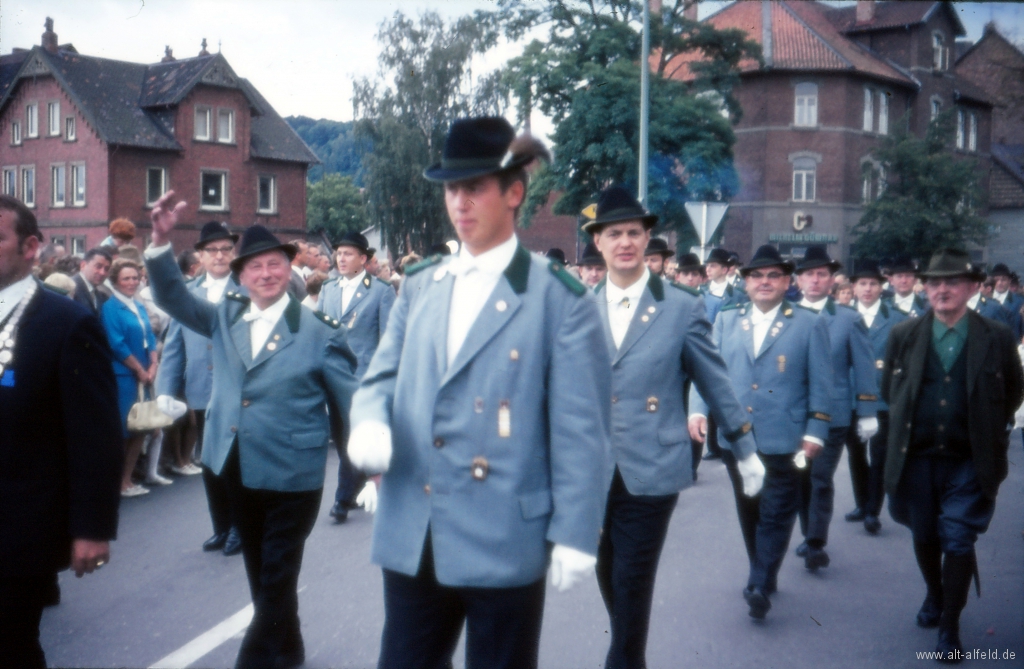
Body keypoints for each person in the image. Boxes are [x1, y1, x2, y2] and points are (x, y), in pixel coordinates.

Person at [346, 116, 611, 669]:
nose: (459, 202)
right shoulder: (421, 284)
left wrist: (577, 531)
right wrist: (370, 421)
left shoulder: (558, 299)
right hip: (417, 526)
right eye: (451, 189)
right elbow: (381, 375)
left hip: (504, 533)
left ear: (514, 193)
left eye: (474, 188)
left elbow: (580, 428)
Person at [146, 193, 358, 669]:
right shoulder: (224, 316)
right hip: (236, 464)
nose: (266, 274)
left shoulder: (319, 330)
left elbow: (352, 404)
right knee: (261, 571)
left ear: (290, 269)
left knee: (278, 572)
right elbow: (171, 296)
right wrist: (160, 241)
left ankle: (257, 659)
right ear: (239, 276)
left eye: (275, 265)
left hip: (293, 472)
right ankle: (289, 647)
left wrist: (365, 468)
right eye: (255, 267)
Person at [586, 185, 764, 669]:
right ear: (598, 242)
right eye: (614, 233)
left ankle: (622, 661)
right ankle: (631, 656)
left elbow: (716, 380)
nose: (624, 241)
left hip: (653, 462)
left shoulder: (682, 306)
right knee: (606, 569)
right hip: (591, 465)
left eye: (634, 233)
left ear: (648, 240)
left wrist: (744, 448)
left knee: (632, 575)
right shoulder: (577, 307)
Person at [880, 248, 1023, 661]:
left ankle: (950, 626)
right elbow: (891, 391)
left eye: (952, 282)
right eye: (934, 282)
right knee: (924, 534)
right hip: (917, 458)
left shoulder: (995, 335)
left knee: (958, 536)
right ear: (925, 289)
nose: (941, 290)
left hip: (968, 460)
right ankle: (934, 593)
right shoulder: (903, 335)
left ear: (972, 287)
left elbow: (1013, 391)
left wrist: (987, 429)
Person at [0, 195, 122, 669]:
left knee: (11, 647)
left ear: (31, 247)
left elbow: (95, 436)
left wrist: (91, 528)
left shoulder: (67, 323)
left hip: (19, 524)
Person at [691, 245, 832, 620]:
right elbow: (707, 369)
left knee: (777, 511)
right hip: (738, 438)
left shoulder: (808, 322)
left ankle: (758, 580)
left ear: (787, 282)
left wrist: (816, 430)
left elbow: (822, 382)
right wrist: (698, 411)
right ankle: (763, 570)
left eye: (773, 276)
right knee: (749, 508)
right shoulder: (727, 318)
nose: (764, 282)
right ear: (746, 281)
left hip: (785, 437)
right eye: (757, 276)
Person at [155, 221, 244, 556]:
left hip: (236, 391)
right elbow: (175, 344)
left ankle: (239, 525)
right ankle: (221, 525)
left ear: (233, 254)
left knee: (233, 461)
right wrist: (166, 388)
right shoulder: (188, 292)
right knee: (209, 463)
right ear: (200, 256)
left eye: (225, 249)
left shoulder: (247, 288)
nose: (220, 256)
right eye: (212, 250)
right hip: (201, 389)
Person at [792, 246, 878, 571]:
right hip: (794, 413)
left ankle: (815, 542)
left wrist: (867, 410)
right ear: (798, 279)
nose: (815, 280)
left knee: (820, 477)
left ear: (832, 280)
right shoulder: (787, 316)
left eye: (822, 274)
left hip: (833, 414)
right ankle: (808, 533)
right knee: (800, 479)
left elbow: (865, 366)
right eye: (809, 274)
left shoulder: (847, 318)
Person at [317, 231, 396, 523]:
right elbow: (319, 331)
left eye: (348, 254)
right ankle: (359, 486)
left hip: (363, 378)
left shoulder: (381, 291)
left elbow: (388, 339)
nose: (341, 258)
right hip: (332, 375)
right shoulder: (328, 289)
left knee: (352, 435)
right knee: (340, 436)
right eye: (338, 253)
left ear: (363, 259)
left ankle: (340, 500)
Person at [845, 260, 906, 535]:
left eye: (873, 284)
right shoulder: (842, 316)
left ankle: (873, 511)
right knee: (856, 454)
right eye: (862, 284)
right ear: (853, 288)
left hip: (882, 397)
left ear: (881, 287)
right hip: (851, 396)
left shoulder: (897, 317)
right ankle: (861, 503)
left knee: (879, 455)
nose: (868, 289)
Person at [101, 258, 161, 497]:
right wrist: (139, 369)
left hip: (145, 375)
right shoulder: (110, 307)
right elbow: (116, 344)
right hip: (124, 376)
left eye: (135, 277)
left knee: (142, 428)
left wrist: (154, 363)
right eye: (126, 278)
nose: (132, 282)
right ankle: (118, 483)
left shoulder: (139, 305)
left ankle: (127, 480)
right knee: (125, 430)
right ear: (115, 281)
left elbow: (151, 337)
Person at [987, 263, 1024, 340]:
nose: (1000, 283)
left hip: (1012, 347)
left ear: (1009, 281)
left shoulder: (1019, 302)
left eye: (1003, 279)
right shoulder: (985, 301)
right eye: (997, 280)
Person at [73, 247, 112, 316]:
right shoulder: (71, 288)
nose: (102, 272)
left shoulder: (101, 296)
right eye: (98, 266)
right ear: (83, 265)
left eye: (106, 269)